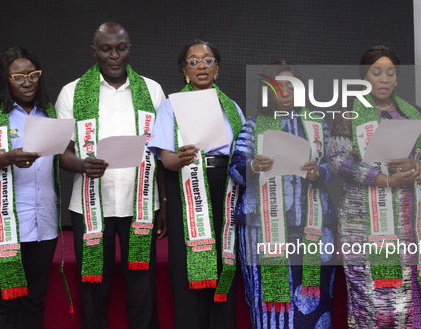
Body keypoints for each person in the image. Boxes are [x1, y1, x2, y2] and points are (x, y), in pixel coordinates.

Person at [55, 22, 167, 329]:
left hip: (140, 203)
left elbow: (159, 151)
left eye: (121, 48)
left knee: (142, 284)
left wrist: (163, 203)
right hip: (91, 206)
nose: (114, 55)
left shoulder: (152, 90)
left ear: (129, 49)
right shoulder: (72, 91)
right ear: (94, 51)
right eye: (106, 49)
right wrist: (81, 165)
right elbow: (61, 153)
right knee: (93, 286)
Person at [327, 46, 421, 328]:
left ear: (398, 78)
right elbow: (337, 160)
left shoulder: (412, 112)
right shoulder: (349, 112)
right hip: (362, 226)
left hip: (408, 225)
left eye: (390, 72)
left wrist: (419, 168)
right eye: (376, 72)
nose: (384, 78)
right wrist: (383, 178)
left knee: (409, 295)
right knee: (369, 296)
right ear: (364, 77)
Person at [230, 61, 336, 328]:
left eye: (291, 87)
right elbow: (235, 171)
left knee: (313, 305)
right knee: (270, 306)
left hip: (313, 227)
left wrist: (318, 172)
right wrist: (254, 166)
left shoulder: (318, 125)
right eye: (278, 88)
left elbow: (335, 166)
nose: (285, 93)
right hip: (262, 230)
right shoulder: (253, 126)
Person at [148, 39, 245, 329]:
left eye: (207, 60)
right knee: (187, 269)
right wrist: (180, 158)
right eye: (193, 61)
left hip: (226, 191)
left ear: (217, 68)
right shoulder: (171, 106)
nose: (201, 66)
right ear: (184, 70)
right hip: (187, 192)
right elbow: (165, 158)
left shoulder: (232, 108)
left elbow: (243, 151)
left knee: (224, 265)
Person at [0, 47, 60, 328]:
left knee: (33, 300)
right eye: (18, 77)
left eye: (33, 75)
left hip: (43, 225)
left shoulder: (49, 112)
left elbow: (61, 154)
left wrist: (82, 163)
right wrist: (7, 158)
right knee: (1, 301)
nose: (27, 82)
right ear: (4, 79)